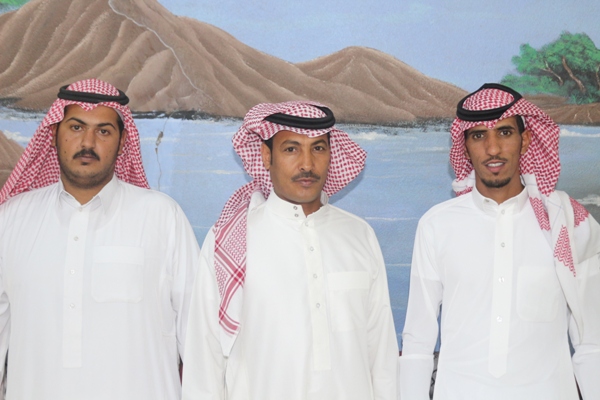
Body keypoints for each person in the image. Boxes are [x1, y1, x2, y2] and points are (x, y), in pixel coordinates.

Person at [182, 101, 398, 399]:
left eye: (318, 148)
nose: (307, 164)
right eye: (291, 149)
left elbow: (382, 354)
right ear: (266, 156)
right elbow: (204, 358)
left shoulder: (359, 235)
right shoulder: (230, 240)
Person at [0, 79, 200, 399]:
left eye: (104, 131)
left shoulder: (162, 217)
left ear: (122, 143)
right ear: (54, 135)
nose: (88, 142)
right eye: (76, 127)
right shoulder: (11, 220)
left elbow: (199, 341)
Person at [399, 83, 600, 399]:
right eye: (479, 136)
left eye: (505, 133)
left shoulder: (569, 222)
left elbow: (592, 342)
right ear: (465, 147)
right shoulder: (436, 226)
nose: (493, 149)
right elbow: (417, 344)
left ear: (526, 139)